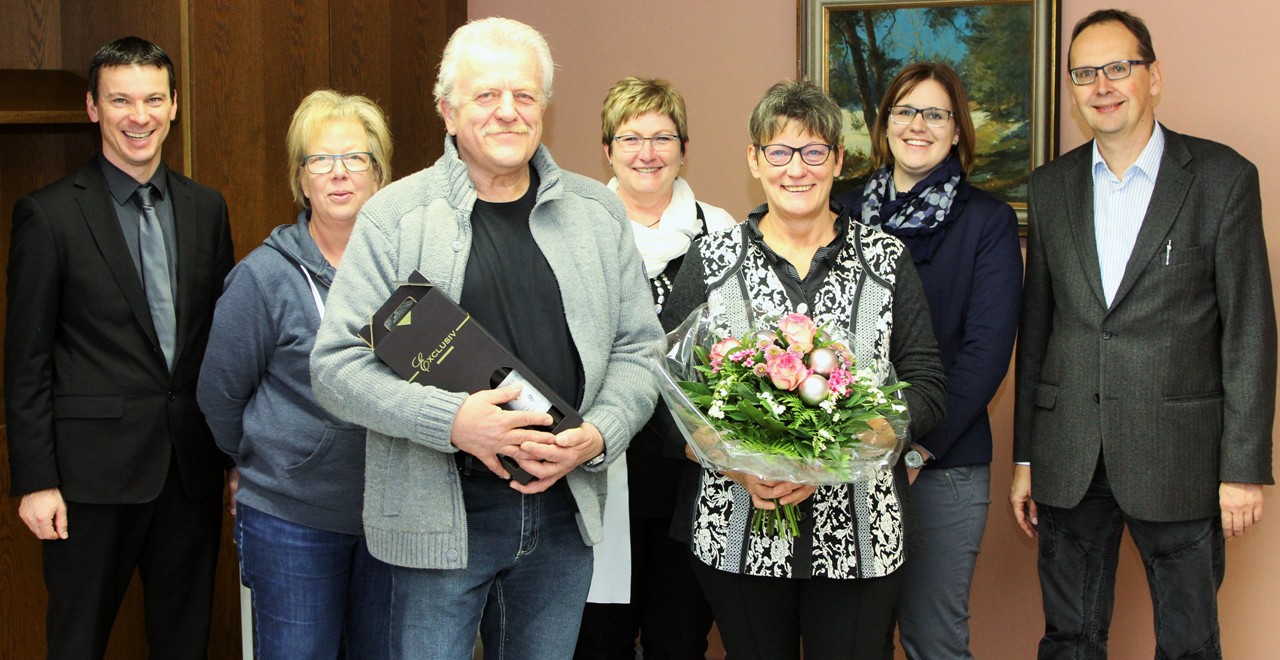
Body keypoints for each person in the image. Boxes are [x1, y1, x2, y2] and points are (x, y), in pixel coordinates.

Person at [308, 17, 664, 660]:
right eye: (486, 95)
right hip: (439, 521)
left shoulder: (598, 214)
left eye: (524, 95)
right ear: (447, 111)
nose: (507, 111)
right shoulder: (393, 218)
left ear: (544, 108)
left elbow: (640, 349)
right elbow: (335, 367)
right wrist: (453, 422)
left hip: (562, 517)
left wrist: (600, 433)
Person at [1011, 9, 1275, 658]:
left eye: (1118, 68)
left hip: (1179, 458)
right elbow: (1037, 331)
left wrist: (1243, 469)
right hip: (1070, 457)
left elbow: (1249, 330)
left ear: (1153, 77)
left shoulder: (1221, 178)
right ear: (1073, 90)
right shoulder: (1050, 188)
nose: (1101, 86)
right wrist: (1026, 459)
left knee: (1189, 644)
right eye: (1084, 74)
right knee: (1069, 639)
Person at [659, 79, 947, 660]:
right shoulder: (711, 259)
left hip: (862, 534)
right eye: (779, 151)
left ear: (838, 160)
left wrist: (858, 441)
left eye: (814, 151)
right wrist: (737, 462)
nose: (797, 169)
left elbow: (928, 385)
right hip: (738, 529)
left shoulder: (886, 259)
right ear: (754, 159)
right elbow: (667, 395)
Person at [4, 37, 234, 659]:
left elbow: (220, 346)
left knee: (185, 641)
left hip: (189, 472)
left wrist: (234, 457)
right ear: (92, 107)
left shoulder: (206, 207)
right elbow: (25, 361)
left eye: (154, 99)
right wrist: (36, 480)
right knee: (77, 642)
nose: (140, 116)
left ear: (174, 105)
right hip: (87, 481)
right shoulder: (48, 215)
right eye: (121, 100)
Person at [197, 90, 394, 659]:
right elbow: (218, 396)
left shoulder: (409, 271)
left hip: (392, 515)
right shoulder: (262, 278)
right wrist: (261, 459)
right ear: (301, 179)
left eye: (355, 158)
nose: (339, 173)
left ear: (378, 174)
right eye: (320, 160)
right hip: (291, 520)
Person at [834, 62, 1022, 659]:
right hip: (840, 458)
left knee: (932, 639)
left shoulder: (987, 221)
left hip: (941, 462)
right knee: (852, 641)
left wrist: (914, 446)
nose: (918, 125)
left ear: (958, 130)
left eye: (936, 114)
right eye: (905, 111)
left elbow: (985, 354)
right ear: (884, 124)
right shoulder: (838, 208)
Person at [574, 76, 734, 660]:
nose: (647, 153)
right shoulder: (576, 229)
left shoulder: (723, 232)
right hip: (599, 469)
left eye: (663, 137)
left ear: (684, 148)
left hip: (692, 479)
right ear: (607, 150)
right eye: (630, 138)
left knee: (679, 640)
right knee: (598, 643)